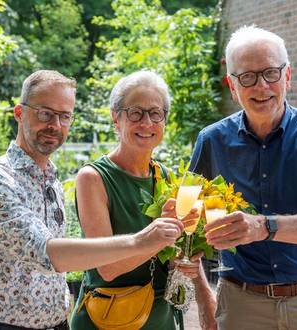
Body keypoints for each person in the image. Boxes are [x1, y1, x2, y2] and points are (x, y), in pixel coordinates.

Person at [0, 70, 185, 330]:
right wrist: (143, 240)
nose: (55, 125)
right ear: (20, 113)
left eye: (64, 116)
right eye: (45, 113)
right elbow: (48, 253)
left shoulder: (51, 179)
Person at [189, 26, 297, 329]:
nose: (261, 86)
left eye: (271, 73)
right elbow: (187, 226)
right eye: (247, 77)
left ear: (287, 76)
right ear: (231, 85)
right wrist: (203, 296)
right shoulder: (211, 141)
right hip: (241, 305)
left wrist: (261, 227)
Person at [70, 70, 215, 330]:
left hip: (160, 318)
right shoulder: (93, 178)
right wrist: (161, 236)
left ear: (164, 121)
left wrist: (188, 263)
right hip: (109, 319)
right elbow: (108, 268)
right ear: (116, 118)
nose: (146, 123)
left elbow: (173, 254)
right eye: (135, 113)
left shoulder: (166, 176)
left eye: (155, 113)